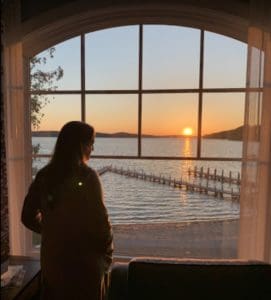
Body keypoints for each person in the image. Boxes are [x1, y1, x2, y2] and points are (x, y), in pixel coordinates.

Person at [21, 121, 113, 300]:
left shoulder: (44, 176)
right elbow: (102, 225)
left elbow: (27, 216)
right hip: (85, 264)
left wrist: (51, 230)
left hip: (54, 262)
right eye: (91, 142)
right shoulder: (88, 177)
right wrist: (106, 258)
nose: (92, 148)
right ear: (80, 145)